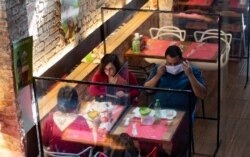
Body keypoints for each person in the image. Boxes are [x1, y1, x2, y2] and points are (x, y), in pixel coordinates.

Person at [144, 45, 207, 112]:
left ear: (181, 59)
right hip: (160, 110)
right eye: (169, 64)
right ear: (165, 60)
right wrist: (158, 75)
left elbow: (202, 95)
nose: (173, 66)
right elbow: (147, 89)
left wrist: (190, 75)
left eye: (176, 63)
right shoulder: (159, 69)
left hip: (182, 112)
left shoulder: (192, 70)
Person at [42, 86, 91, 155]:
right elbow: (89, 145)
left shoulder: (49, 120)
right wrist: (94, 127)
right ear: (76, 103)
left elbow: (45, 143)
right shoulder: (81, 121)